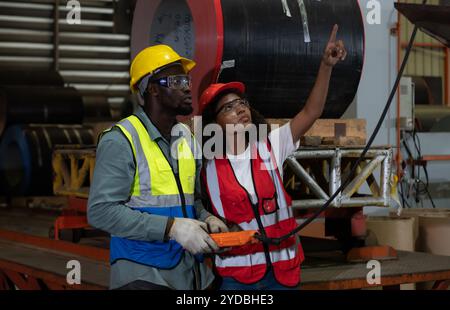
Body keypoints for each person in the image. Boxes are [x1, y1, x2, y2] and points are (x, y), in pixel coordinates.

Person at [199, 25, 347, 290]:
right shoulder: (205, 166)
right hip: (237, 279)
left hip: (282, 274)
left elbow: (311, 112)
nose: (240, 110)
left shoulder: (271, 147)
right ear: (215, 122)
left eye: (242, 103)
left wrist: (326, 66)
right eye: (229, 108)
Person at [87, 45, 228, 290]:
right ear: (152, 89)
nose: (187, 86)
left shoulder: (186, 136)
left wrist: (207, 217)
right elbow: (100, 211)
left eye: (187, 79)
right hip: (142, 273)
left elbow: (190, 201)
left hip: (190, 271)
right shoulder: (121, 140)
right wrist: (171, 228)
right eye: (176, 80)